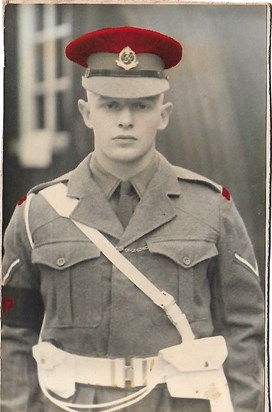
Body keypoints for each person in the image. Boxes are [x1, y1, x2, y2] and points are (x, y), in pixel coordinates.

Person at [1, 26, 264, 412]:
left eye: (141, 106)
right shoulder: (37, 213)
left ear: (164, 114)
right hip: (70, 405)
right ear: (87, 113)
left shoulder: (212, 208)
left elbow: (245, 331)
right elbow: (14, 335)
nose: (125, 120)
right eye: (110, 105)